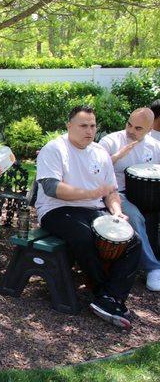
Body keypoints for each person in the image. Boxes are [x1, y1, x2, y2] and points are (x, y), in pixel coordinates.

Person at [35, 105, 141, 329]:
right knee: (85, 237)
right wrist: (89, 193)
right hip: (56, 209)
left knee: (132, 241)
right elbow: (52, 188)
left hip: (93, 210)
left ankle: (110, 297)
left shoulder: (100, 152)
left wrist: (117, 212)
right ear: (69, 126)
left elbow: (111, 191)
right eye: (83, 125)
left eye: (92, 126)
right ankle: (102, 292)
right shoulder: (54, 149)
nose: (89, 130)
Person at [99, 107, 160, 292]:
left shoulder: (155, 146)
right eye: (129, 124)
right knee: (135, 217)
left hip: (149, 193)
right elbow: (94, 169)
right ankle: (153, 268)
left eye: (138, 128)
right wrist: (118, 156)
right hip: (117, 193)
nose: (131, 131)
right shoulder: (110, 141)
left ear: (150, 129)